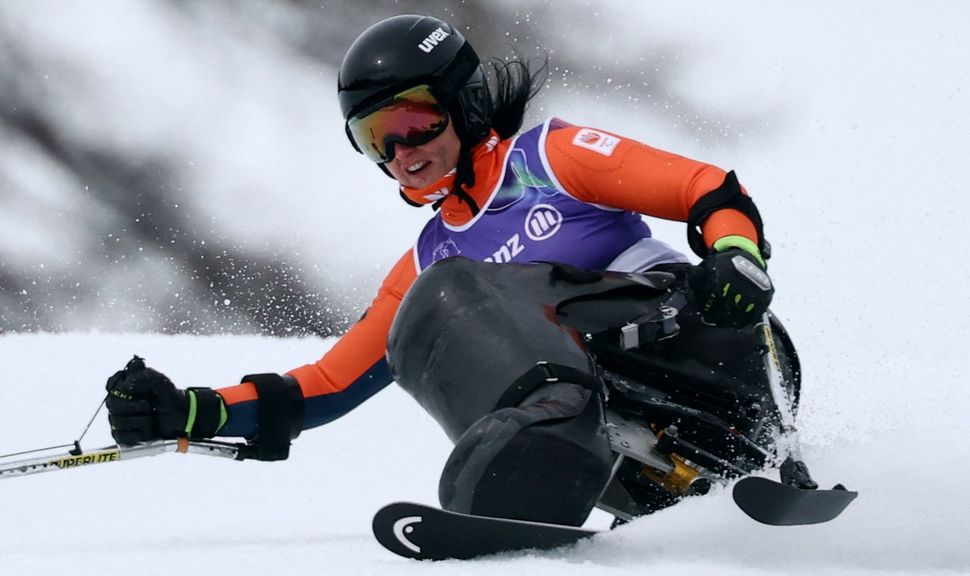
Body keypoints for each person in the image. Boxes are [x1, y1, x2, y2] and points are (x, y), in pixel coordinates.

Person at [105, 14, 795, 527]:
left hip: (717, 348)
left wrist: (738, 256)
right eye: (377, 139)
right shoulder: (431, 260)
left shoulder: (547, 160)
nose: (403, 152)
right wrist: (193, 412)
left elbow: (704, 188)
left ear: (462, 103)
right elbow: (325, 386)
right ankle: (581, 475)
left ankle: (547, 442)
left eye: (415, 122)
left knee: (449, 293)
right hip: (642, 448)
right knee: (425, 317)